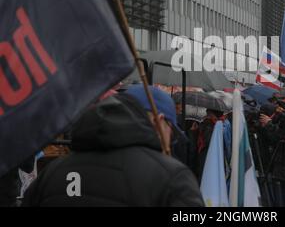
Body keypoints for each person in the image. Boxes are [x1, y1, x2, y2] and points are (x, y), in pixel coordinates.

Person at [22, 85, 204, 207]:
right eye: (172, 131)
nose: (171, 141)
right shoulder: (172, 179)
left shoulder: (52, 172)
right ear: (159, 122)